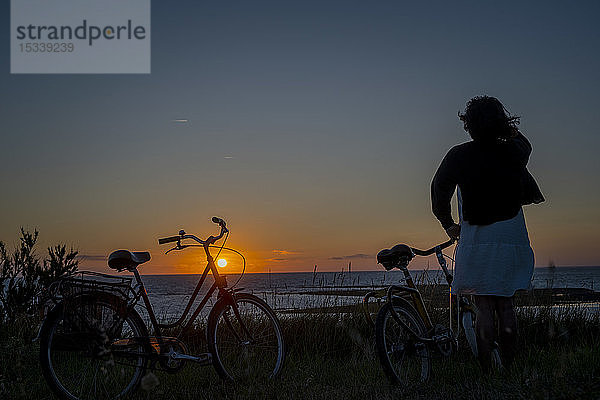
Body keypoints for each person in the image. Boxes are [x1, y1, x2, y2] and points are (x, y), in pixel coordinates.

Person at [431, 95, 544, 371]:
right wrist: (507, 129)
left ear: (469, 125)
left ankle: (486, 371)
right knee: (506, 305)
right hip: (511, 234)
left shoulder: (459, 155)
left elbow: (439, 189)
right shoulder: (516, 150)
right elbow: (522, 141)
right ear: (501, 123)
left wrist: (447, 223)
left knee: (483, 306)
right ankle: (508, 367)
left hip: (478, 235)